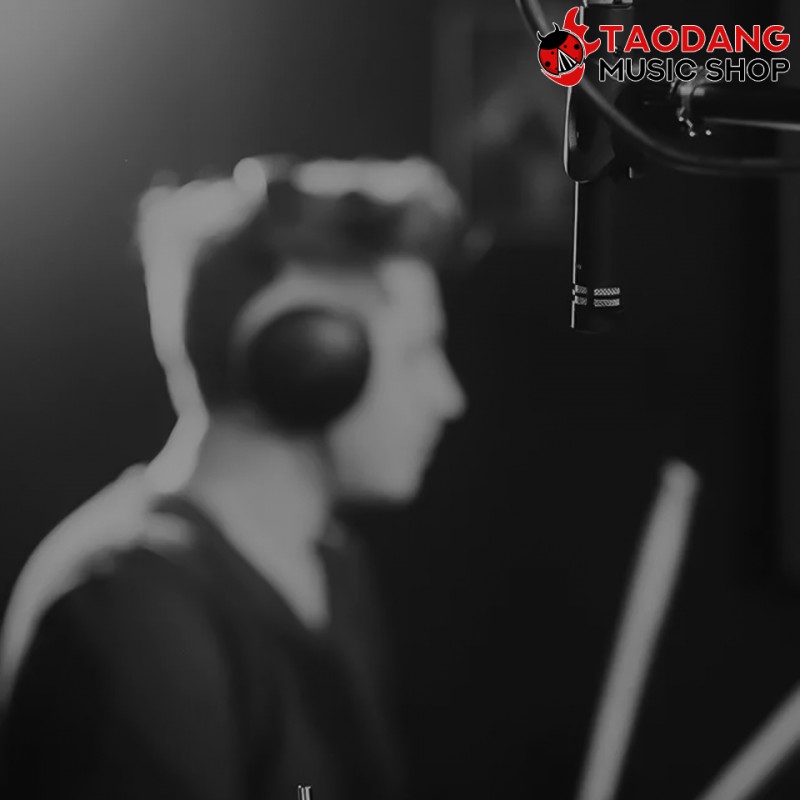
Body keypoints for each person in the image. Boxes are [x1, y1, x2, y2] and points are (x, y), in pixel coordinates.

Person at [0, 154, 468, 800]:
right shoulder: (131, 611)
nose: (448, 397)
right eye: (416, 352)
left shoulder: (334, 570)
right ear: (305, 357)